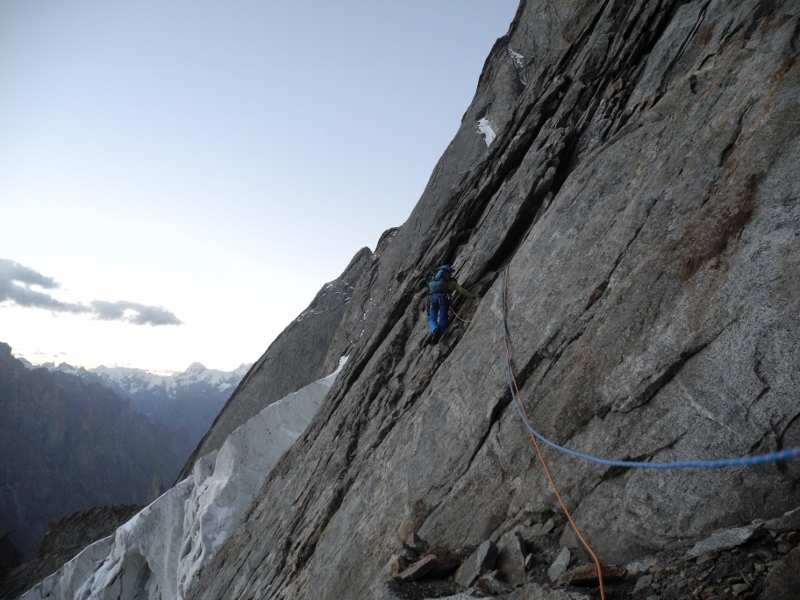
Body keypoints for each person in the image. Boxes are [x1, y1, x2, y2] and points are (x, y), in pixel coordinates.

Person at [427, 265, 474, 344]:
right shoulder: (452, 282)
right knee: (443, 318)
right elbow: (462, 290)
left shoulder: (434, 279)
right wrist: (472, 296)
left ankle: (435, 329)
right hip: (444, 299)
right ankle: (439, 333)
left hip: (433, 298)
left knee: (432, 318)